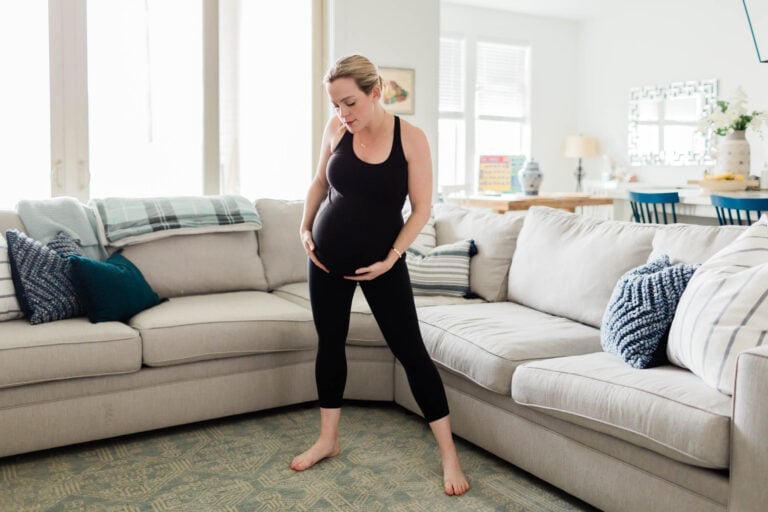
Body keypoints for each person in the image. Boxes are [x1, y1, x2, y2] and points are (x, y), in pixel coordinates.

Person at [290, 54, 470, 496]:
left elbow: (421, 209)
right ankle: (328, 439)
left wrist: (392, 257)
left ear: (376, 92)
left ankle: (449, 455)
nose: (343, 114)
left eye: (350, 103)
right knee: (330, 344)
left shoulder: (411, 139)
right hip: (325, 261)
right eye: (335, 105)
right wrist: (305, 227)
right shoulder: (336, 129)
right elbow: (319, 183)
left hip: (381, 265)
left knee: (411, 351)